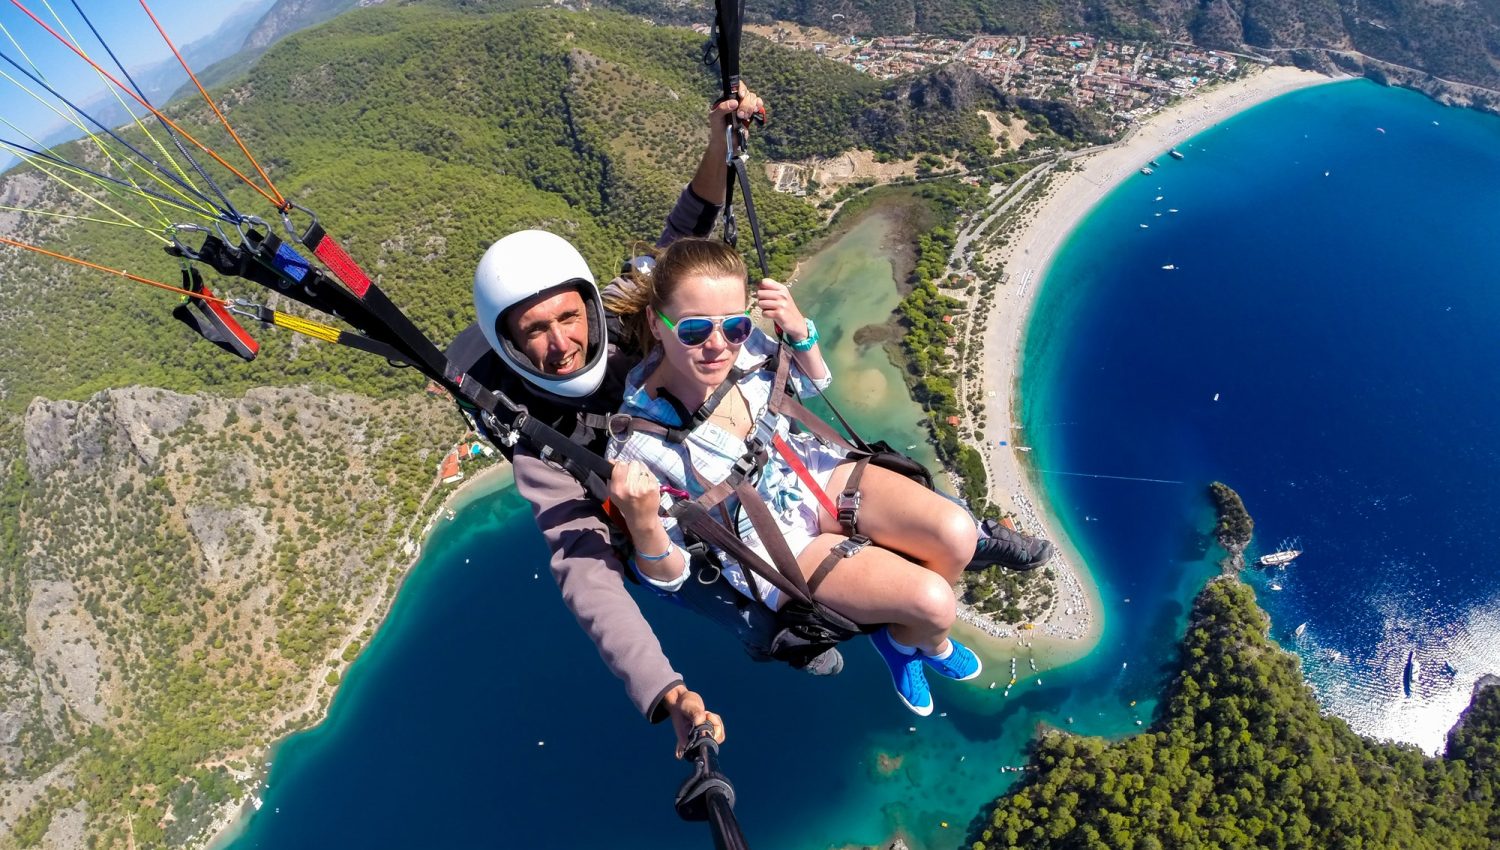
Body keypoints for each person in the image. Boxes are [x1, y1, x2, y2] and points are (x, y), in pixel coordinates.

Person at [450, 86, 843, 759]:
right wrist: (668, 693)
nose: (561, 344)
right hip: (660, 525)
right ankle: (769, 628)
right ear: (510, 343)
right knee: (753, 607)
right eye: (534, 331)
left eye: (568, 318)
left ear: (592, 307)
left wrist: (720, 141)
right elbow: (588, 577)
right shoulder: (540, 442)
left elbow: (687, 233)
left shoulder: (632, 325)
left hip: (714, 460)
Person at [603, 238, 989, 717]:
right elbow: (670, 576)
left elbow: (808, 386)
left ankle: (911, 640)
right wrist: (642, 523)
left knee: (957, 533)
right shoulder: (638, 441)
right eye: (695, 329)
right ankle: (914, 639)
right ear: (656, 327)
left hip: (814, 471)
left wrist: (799, 332)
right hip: (770, 541)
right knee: (934, 603)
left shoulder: (747, 352)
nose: (718, 346)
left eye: (736, 326)